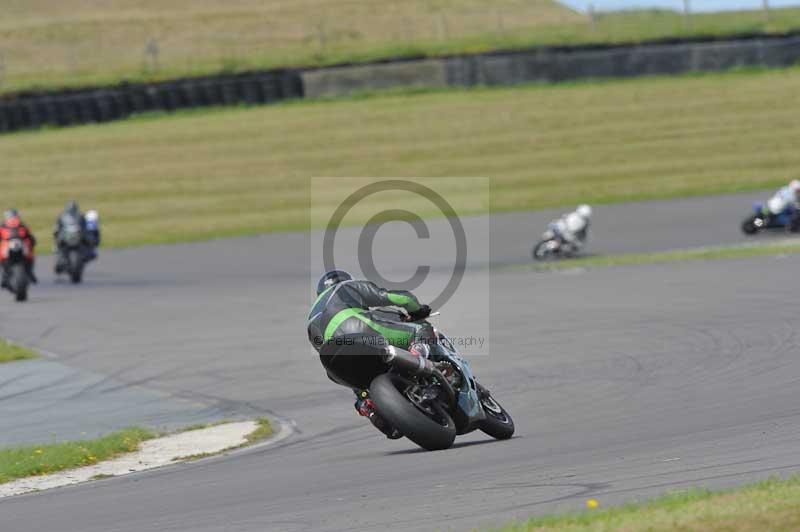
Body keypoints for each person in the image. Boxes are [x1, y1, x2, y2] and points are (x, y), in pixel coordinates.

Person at [307, 270, 434, 438]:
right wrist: (418, 310)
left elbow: (322, 350)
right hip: (357, 328)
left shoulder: (310, 321)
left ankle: (367, 406)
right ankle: (418, 357)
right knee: (422, 330)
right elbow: (399, 298)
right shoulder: (345, 287)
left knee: (359, 387)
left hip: (334, 358)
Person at [0, 209, 37, 287]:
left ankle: (30, 273)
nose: (12, 218)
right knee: (2, 255)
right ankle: (5, 276)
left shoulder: (22, 225)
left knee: (30, 255)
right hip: (8, 247)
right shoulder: (3, 226)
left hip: (21, 247)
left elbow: (30, 237)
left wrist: (32, 242)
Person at [53, 200, 87, 273]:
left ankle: (83, 258)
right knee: (58, 245)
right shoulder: (62, 217)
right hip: (65, 237)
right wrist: (57, 234)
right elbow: (57, 228)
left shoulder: (80, 216)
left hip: (77, 237)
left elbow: (84, 227)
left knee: (86, 243)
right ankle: (60, 261)